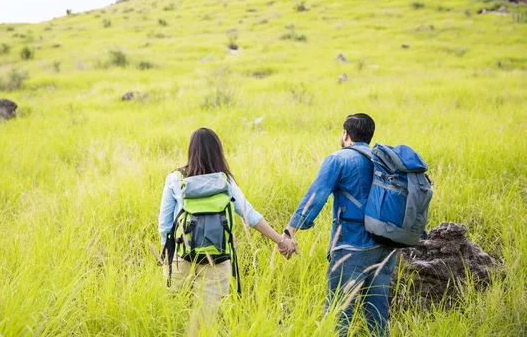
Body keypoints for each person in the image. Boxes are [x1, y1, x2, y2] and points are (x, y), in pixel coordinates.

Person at [158, 127, 295, 329]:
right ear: (217, 151)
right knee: (207, 321)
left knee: (174, 317)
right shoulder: (225, 181)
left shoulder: (175, 179)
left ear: (191, 150)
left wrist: (168, 259)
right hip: (218, 257)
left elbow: (165, 225)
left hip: (181, 255)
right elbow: (250, 216)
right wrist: (281, 241)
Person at [282, 114, 397, 336]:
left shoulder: (339, 159)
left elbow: (314, 198)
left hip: (351, 248)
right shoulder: (382, 161)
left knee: (338, 317)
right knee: (377, 318)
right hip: (386, 247)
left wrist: (290, 231)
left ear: (345, 133)